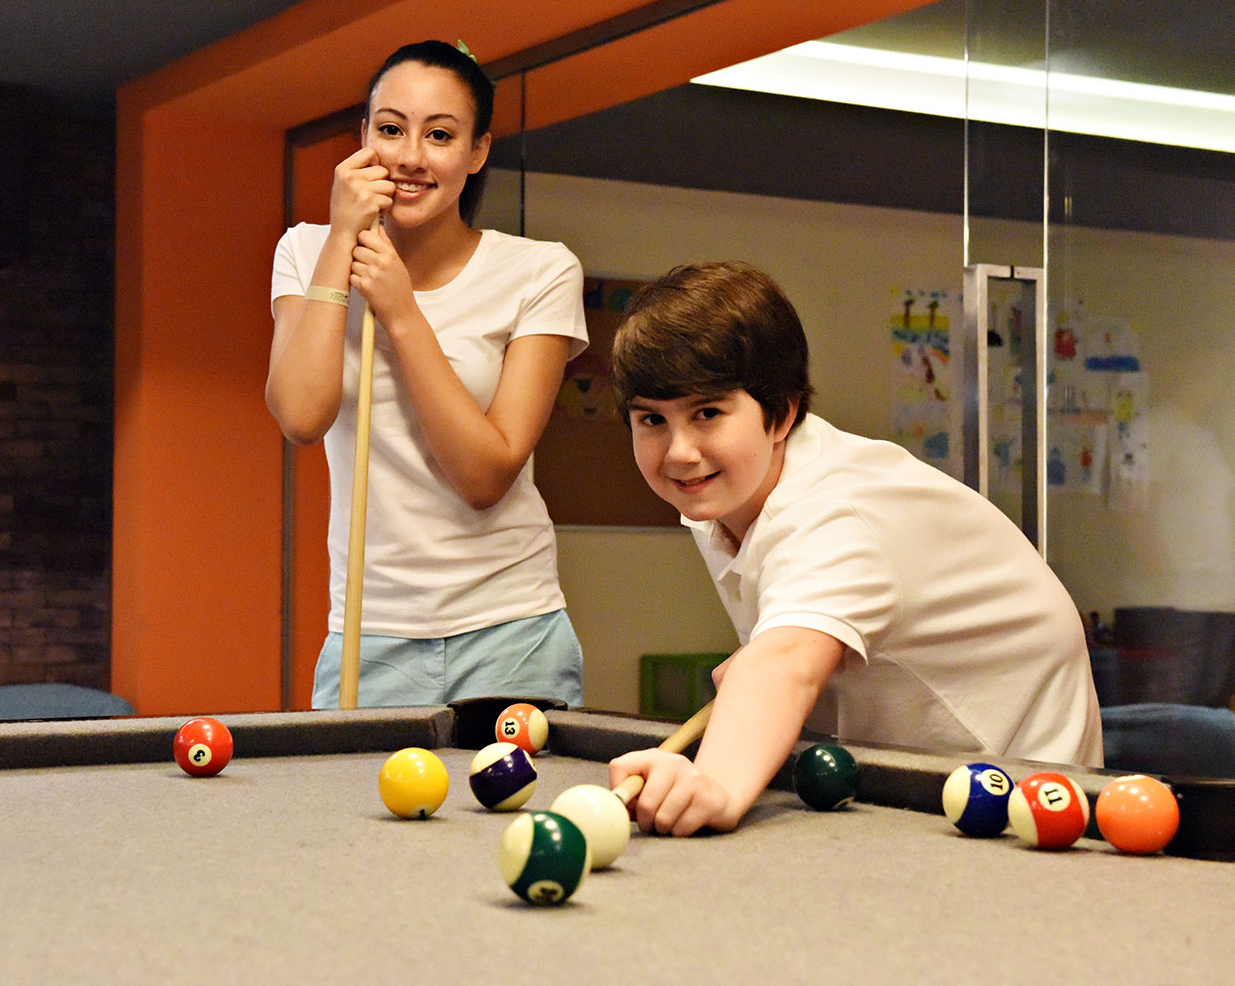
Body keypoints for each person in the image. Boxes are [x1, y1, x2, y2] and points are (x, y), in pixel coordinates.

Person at [606, 262, 1103, 836]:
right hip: (917, 775)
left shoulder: (836, 510)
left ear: (781, 414)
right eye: (652, 420)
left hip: (1026, 791)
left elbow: (788, 662)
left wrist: (714, 783)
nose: (679, 453)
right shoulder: (724, 495)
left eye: (708, 413)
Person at [266, 40, 587, 709]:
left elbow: (485, 474)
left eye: (440, 135)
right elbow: (300, 415)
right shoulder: (303, 249)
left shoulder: (539, 271)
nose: (410, 156)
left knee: (515, 818)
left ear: (476, 152)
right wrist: (339, 244)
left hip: (511, 631)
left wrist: (402, 313)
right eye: (390, 129)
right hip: (367, 632)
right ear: (362, 140)